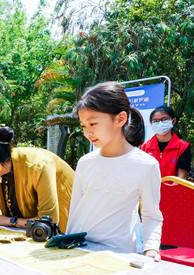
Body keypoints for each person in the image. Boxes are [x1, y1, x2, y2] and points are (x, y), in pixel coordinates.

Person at [66, 81, 162, 259]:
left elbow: (151, 215)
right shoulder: (85, 162)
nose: (87, 132)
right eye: (83, 126)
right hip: (78, 250)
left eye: (93, 123)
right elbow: (75, 210)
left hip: (117, 255)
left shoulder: (146, 165)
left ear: (120, 119)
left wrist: (151, 249)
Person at [140, 105, 191, 179]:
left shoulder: (183, 147)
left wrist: (167, 187)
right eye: (156, 121)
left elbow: (182, 176)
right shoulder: (144, 148)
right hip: (149, 186)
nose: (160, 123)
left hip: (174, 186)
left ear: (173, 121)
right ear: (151, 124)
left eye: (164, 119)